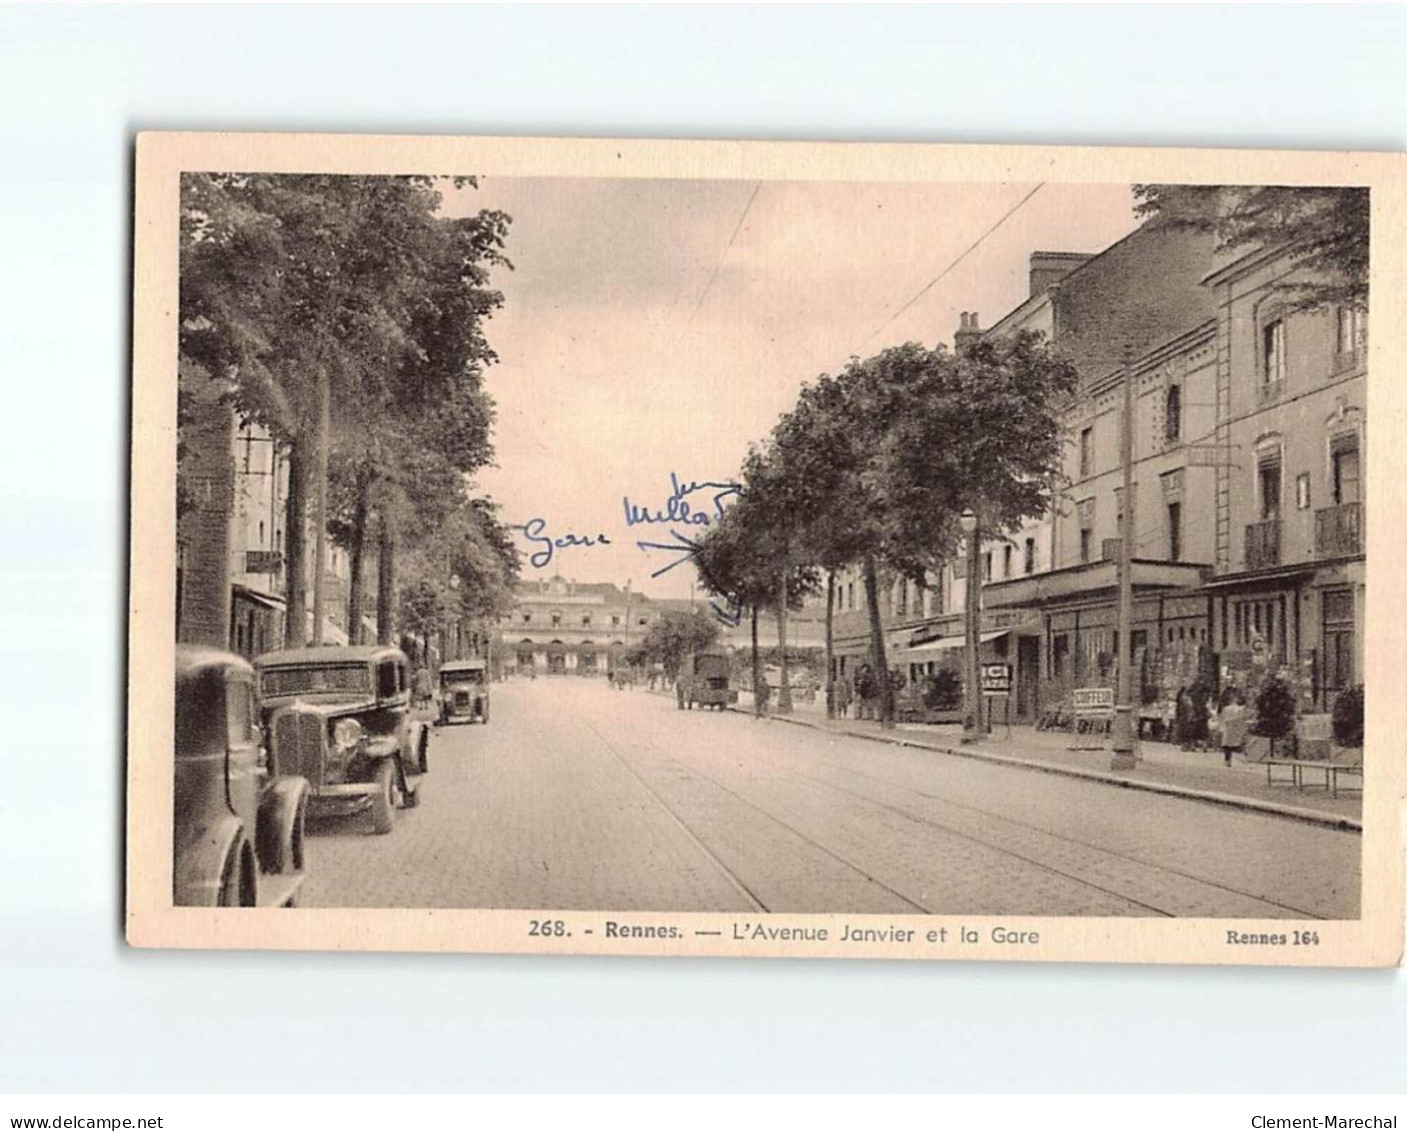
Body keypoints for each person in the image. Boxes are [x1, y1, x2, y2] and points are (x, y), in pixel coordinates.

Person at [1217, 688, 1249, 767]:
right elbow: (1242, 717)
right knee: (1232, 744)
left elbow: (1222, 717)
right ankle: (1230, 760)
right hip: (1232, 728)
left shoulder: (1227, 708)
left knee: (1229, 744)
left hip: (1230, 728)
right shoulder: (1237, 709)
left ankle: (1228, 760)